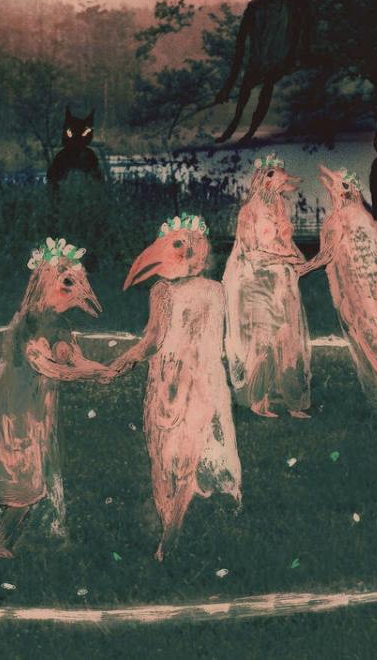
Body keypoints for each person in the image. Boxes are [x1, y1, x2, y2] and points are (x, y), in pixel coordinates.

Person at [0, 238, 109, 558]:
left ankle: (0, 543)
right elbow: (50, 368)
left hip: (38, 414)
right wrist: (94, 374)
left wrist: (105, 369)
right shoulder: (29, 323)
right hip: (13, 414)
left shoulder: (60, 325)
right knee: (29, 488)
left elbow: (74, 360)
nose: (76, 293)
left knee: (30, 485)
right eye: (67, 284)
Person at [111, 214, 243, 560]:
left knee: (164, 452)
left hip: (171, 378)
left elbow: (153, 341)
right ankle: (173, 523)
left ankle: (169, 524)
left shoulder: (164, 291)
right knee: (189, 451)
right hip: (204, 379)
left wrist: (124, 359)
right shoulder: (214, 290)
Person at [297, 166, 377, 409]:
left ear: (343, 192)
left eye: (335, 188)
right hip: (372, 290)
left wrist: (300, 270)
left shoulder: (339, 219)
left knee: (368, 343)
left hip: (355, 292)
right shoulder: (363, 216)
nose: (330, 191)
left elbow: (326, 255)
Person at [223, 154, 312, 418]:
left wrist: (297, 260)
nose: (280, 185)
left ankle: (292, 400)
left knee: (287, 338)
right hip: (257, 281)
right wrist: (282, 258)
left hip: (281, 282)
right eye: (275, 178)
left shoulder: (279, 207)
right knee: (263, 339)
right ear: (264, 179)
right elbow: (251, 252)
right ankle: (259, 399)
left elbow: (286, 243)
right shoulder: (249, 211)